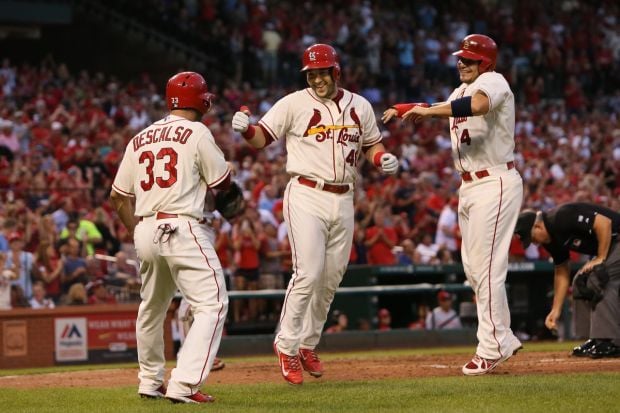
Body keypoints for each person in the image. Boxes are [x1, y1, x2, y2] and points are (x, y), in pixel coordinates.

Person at [232, 43, 400, 385]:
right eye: (311, 73)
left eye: (322, 72)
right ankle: (286, 344)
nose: (317, 78)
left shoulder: (361, 105)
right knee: (307, 273)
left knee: (331, 278)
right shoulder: (294, 102)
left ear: (336, 72)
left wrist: (381, 158)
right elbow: (262, 138)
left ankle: (308, 342)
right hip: (307, 192)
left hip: (344, 197)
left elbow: (371, 144)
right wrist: (247, 129)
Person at [383, 34, 523, 375]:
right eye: (461, 58)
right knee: (476, 271)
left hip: (495, 182)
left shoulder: (494, 82)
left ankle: (490, 347)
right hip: (471, 186)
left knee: (488, 268)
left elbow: (477, 106)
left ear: (485, 62)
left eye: (469, 59)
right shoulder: (459, 90)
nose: (461, 62)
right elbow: (445, 105)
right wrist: (409, 108)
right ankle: (502, 337)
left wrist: (428, 112)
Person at [110, 71, 231, 403]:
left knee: (151, 308)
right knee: (213, 304)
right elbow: (222, 186)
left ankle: (149, 380)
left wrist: (135, 229)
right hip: (181, 225)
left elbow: (118, 197)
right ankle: (184, 384)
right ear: (200, 99)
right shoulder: (197, 132)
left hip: (146, 228)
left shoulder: (140, 137)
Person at [514, 203, 620, 358]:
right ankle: (595, 338)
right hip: (611, 245)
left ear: (537, 226)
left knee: (598, 278)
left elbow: (604, 223)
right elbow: (562, 271)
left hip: (617, 238)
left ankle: (609, 341)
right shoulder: (550, 239)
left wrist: (600, 258)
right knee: (580, 282)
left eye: (532, 238)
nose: (535, 243)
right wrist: (555, 310)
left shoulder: (561, 217)